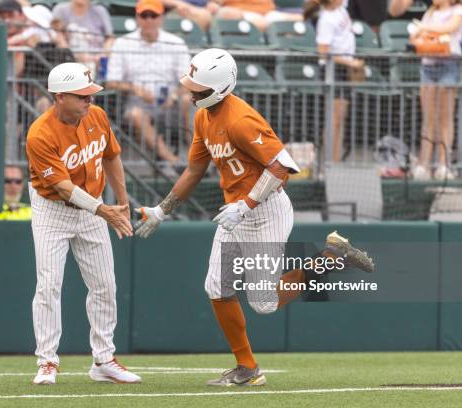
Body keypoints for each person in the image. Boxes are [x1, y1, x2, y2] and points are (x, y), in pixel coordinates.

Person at [134, 48, 374, 386]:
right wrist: (162, 210)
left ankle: (331, 258)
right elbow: (193, 169)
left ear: (217, 87)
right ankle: (247, 368)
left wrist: (246, 204)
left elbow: (284, 167)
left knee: (263, 302)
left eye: (197, 87)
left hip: (265, 210)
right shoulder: (203, 116)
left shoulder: (240, 118)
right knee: (217, 287)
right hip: (235, 212)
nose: (190, 92)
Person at [25, 62, 140, 385]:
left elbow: (112, 156)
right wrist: (104, 210)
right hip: (53, 210)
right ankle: (47, 361)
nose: (89, 100)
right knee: (49, 285)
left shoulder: (97, 116)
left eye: (91, 94)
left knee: (105, 285)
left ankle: (104, 359)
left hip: (94, 205)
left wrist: (123, 201)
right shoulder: (40, 133)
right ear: (60, 97)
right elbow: (62, 188)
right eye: (82, 96)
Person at [106, 0, 192, 167]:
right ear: (137, 18)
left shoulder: (175, 42)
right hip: (137, 104)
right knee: (136, 114)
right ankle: (173, 162)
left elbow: (188, 80)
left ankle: (195, 157)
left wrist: (173, 96)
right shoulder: (123, 43)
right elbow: (111, 82)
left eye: (153, 15)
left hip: (171, 103)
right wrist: (135, 89)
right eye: (144, 15)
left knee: (189, 99)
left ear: (161, 18)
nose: (149, 20)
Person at [409, 0, 462, 180]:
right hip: (427, 66)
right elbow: (414, 37)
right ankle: (423, 164)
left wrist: (423, 28)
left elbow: (450, 28)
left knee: (445, 118)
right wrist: (420, 31)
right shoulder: (430, 13)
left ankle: (444, 164)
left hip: (448, 66)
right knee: (429, 118)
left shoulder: (459, 11)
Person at [304, 0, 365, 162]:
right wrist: (349, 62)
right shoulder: (326, 19)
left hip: (344, 69)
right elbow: (323, 52)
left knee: (341, 117)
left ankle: (336, 161)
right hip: (333, 70)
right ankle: (329, 163)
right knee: (334, 119)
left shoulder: (341, 10)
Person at [52, 0, 114, 74]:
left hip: (97, 62)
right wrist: (73, 56)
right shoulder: (60, 10)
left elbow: (110, 38)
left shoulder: (100, 11)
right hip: (69, 63)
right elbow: (57, 36)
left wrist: (102, 56)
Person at [207, 0, 303, 32]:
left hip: (269, 14)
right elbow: (213, 5)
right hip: (243, 14)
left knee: (300, 20)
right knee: (261, 22)